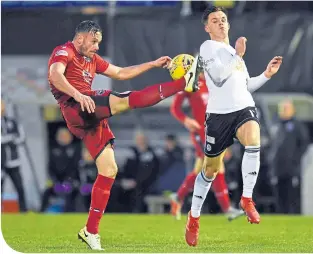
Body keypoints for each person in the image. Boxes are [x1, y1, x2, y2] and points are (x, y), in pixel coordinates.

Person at [47, 20, 199, 250]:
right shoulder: (64, 51)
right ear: (80, 39)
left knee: (109, 169)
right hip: (76, 108)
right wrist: (78, 95)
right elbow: (55, 76)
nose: (98, 46)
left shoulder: (92, 59)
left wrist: (152, 63)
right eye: (94, 41)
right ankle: (181, 83)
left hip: (90, 116)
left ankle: (90, 231)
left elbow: (120, 72)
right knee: (123, 100)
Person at [184, 6, 283, 246]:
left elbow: (245, 86)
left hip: (242, 109)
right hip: (218, 117)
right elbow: (218, 77)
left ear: (228, 24)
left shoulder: (232, 52)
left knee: (253, 136)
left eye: (223, 20)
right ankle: (194, 218)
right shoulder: (208, 48)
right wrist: (237, 56)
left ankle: (247, 199)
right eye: (215, 20)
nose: (220, 23)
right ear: (207, 27)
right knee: (210, 170)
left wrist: (266, 75)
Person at [169, 73, 243, 221]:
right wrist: (186, 120)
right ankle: (227, 209)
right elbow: (175, 108)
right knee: (217, 168)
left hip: (215, 134)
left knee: (201, 170)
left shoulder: (216, 85)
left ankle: (177, 197)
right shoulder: (192, 83)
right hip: (199, 134)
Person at [271, 99, 309, 214]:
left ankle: (294, 215)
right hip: (278, 168)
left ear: (292, 110)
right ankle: (281, 216)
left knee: (292, 195)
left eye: (286, 108)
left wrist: (295, 158)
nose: (283, 111)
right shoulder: (277, 125)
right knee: (279, 195)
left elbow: (304, 143)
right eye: (282, 108)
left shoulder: (297, 125)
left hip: (292, 167)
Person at [40, 127, 81, 212]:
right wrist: (55, 181)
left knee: (70, 191)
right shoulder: (53, 151)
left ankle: (68, 212)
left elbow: (75, 168)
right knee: (46, 192)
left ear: (70, 137)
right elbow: (50, 168)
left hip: (71, 182)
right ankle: (41, 212)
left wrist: (68, 180)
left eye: (65, 136)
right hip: (57, 182)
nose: (63, 138)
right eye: (61, 136)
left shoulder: (75, 150)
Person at [121, 131, 160, 213]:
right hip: (131, 182)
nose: (141, 142)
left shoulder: (151, 155)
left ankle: (137, 211)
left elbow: (150, 173)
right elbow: (126, 169)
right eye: (139, 140)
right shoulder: (132, 153)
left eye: (142, 140)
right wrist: (125, 180)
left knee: (138, 191)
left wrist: (136, 182)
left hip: (146, 184)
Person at [1, 99, 28, 212]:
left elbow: (21, 137)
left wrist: (12, 139)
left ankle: (23, 210)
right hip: (1, 161)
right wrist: (8, 138)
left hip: (13, 161)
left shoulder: (11, 122)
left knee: (19, 187)